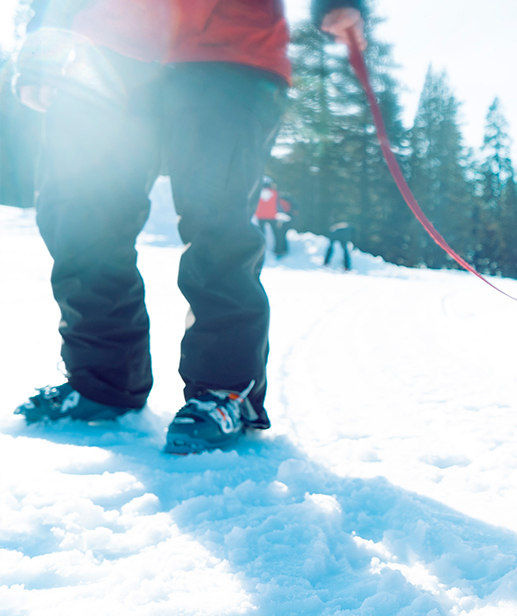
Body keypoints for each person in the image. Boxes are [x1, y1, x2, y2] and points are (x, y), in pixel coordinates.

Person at [11, 0, 367, 454]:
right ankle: (103, 380)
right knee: (80, 215)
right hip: (106, 45)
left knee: (216, 216)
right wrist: (41, 48)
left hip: (228, 46)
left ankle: (224, 389)